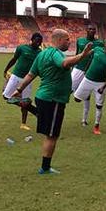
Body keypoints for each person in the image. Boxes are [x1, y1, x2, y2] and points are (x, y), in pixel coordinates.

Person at [11, 29, 93, 174]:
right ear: (59, 40)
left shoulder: (42, 54)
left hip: (43, 97)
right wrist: (82, 55)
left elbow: (31, 74)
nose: (69, 42)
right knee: (52, 135)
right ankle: (45, 168)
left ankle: (28, 105)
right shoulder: (55, 53)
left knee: (46, 123)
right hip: (53, 99)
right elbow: (65, 63)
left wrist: (19, 89)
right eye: (67, 39)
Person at [73, 38, 106, 135]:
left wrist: (104, 86)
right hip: (88, 79)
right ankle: (87, 94)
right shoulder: (97, 49)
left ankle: (96, 126)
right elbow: (88, 56)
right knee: (76, 99)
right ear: (105, 44)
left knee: (99, 106)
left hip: (100, 84)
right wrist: (85, 69)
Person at [2, 32, 43, 130]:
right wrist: (6, 69)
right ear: (32, 40)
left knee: (26, 101)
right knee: (6, 96)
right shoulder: (21, 48)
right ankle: (33, 110)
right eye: (37, 41)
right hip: (16, 76)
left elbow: (39, 67)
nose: (38, 44)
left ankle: (23, 124)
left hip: (28, 79)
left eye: (40, 42)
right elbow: (14, 59)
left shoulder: (39, 53)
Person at [71, 24, 104, 125]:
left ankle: (84, 120)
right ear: (86, 30)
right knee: (68, 89)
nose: (92, 30)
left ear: (95, 31)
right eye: (90, 29)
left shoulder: (99, 43)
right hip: (78, 69)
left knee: (87, 96)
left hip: (90, 72)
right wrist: (73, 66)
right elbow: (77, 53)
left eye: (93, 29)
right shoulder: (80, 40)